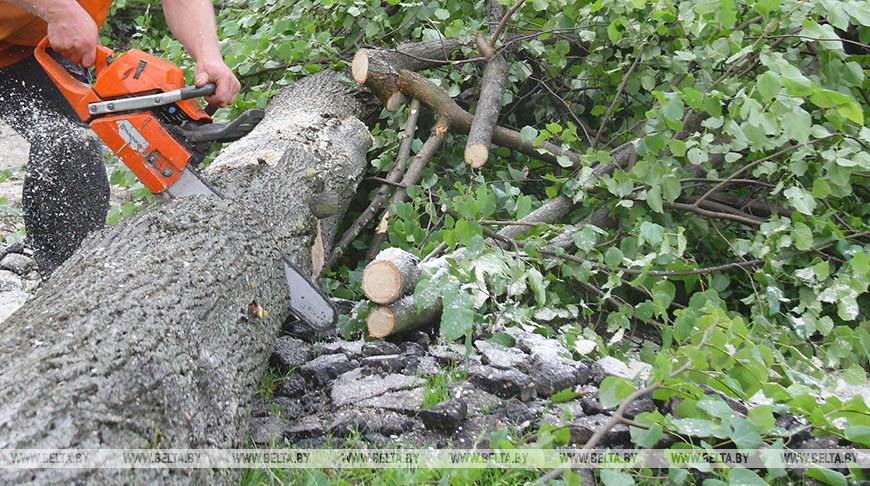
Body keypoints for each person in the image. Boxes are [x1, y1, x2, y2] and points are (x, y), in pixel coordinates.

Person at [0, 0, 241, 277]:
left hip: (37, 42)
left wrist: (208, 55)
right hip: (52, 17)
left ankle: (61, 282)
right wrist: (61, 10)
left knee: (71, 146)